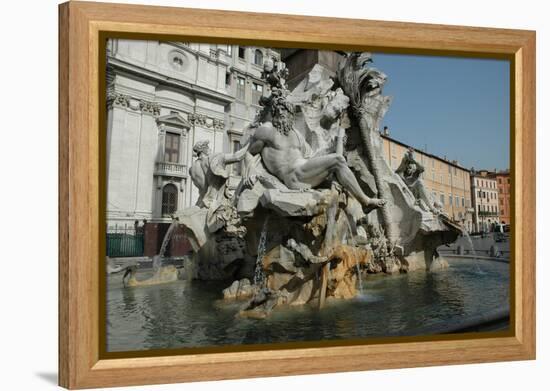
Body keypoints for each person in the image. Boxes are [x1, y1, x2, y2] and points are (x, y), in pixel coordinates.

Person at [243, 93, 385, 210]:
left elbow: (311, 156)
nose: (281, 112)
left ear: (290, 114)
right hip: (293, 177)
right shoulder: (267, 130)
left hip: (305, 171)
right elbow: (250, 153)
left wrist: (339, 137)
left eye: (285, 109)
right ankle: (365, 201)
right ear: (273, 113)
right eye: (278, 109)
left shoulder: (296, 134)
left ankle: (359, 200)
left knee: (338, 163)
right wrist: (251, 171)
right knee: (338, 160)